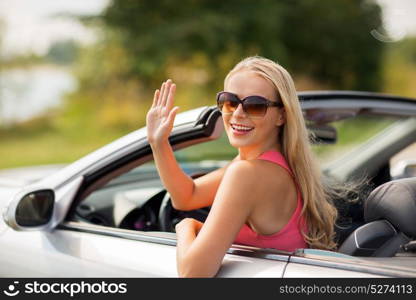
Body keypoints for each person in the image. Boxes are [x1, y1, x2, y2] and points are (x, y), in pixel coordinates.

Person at [146, 56, 338, 278]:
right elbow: (187, 196)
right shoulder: (270, 164)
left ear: (282, 115)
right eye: (230, 101)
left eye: (255, 106)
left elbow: (193, 274)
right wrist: (159, 144)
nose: (238, 113)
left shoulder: (248, 174)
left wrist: (186, 226)